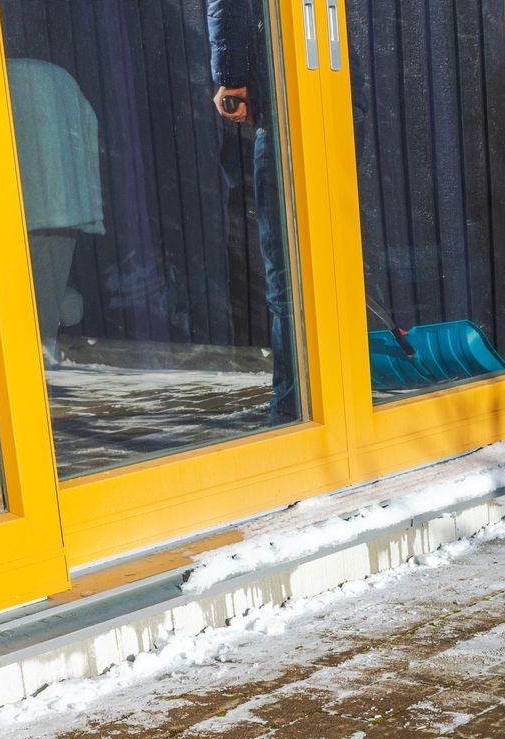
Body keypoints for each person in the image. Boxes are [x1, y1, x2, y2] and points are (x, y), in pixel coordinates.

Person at [207, 0, 297, 426]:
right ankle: (330, 405)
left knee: (286, 275)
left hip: (284, 88)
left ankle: (292, 414)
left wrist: (233, 79)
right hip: (336, 89)